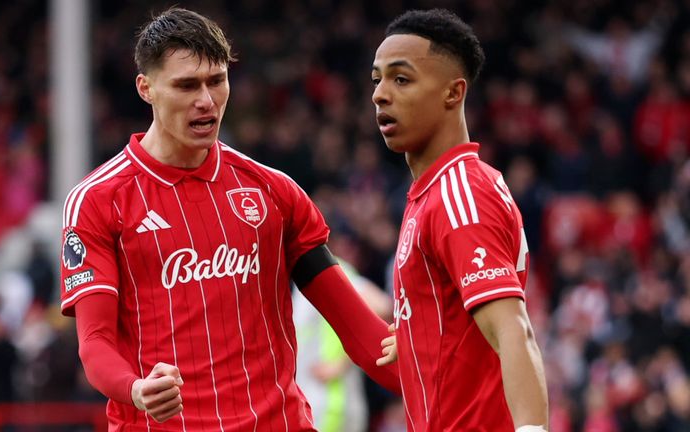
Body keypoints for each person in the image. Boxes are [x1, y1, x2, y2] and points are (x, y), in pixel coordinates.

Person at [59, 5, 399, 431]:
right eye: (186, 85)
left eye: (216, 81)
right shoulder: (97, 201)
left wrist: (450, 390)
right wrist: (135, 388)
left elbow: (360, 330)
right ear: (146, 88)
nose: (206, 101)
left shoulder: (274, 192)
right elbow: (95, 343)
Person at [370, 9, 549, 432]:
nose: (379, 94)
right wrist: (418, 334)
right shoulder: (433, 193)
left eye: (401, 79)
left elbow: (513, 329)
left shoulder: (459, 194)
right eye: (376, 79)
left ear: (453, 93)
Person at [293, 255, 393, 432]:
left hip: (331, 404)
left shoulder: (319, 265)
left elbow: (381, 306)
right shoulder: (290, 280)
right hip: (317, 404)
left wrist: (342, 363)